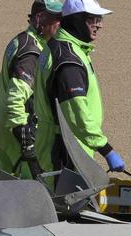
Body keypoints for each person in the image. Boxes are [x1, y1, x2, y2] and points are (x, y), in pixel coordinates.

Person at [34, 0, 123, 189]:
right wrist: (106, 150)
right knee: (61, 205)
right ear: (75, 20)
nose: (100, 24)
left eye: (100, 19)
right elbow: (77, 113)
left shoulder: (60, 47)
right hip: (64, 148)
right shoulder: (68, 59)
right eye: (93, 19)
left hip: (64, 145)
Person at [0, 1, 65, 180]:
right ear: (40, 19)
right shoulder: (32, 52)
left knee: (7, 187)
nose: (61, 24)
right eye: (57, 19)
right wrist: (24, 137)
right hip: (13, 132)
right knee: (29, 189)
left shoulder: (19, 40)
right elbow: (15, 96)